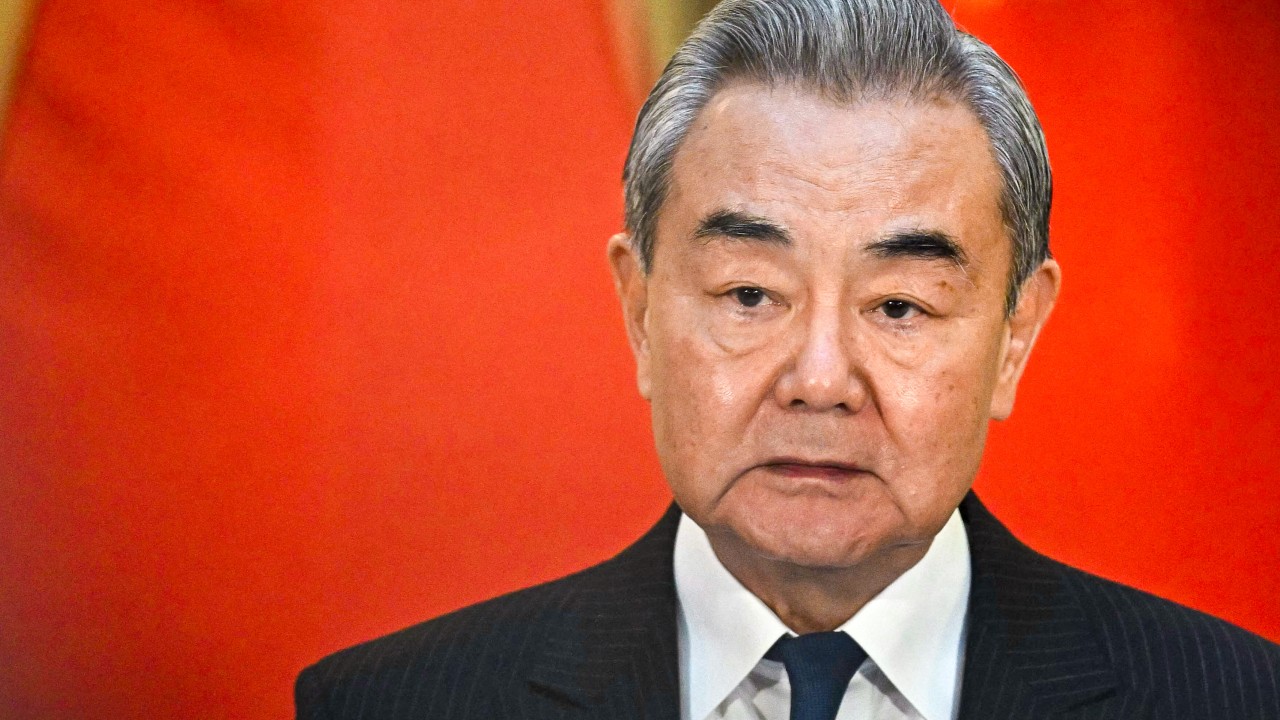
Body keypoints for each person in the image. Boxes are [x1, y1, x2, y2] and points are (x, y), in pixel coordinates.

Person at [295, 1, 1280, 718]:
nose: (818, 380)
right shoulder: (396, 704)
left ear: (1015, 334)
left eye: (898, 305)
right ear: (639, 311)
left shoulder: (1229, 700)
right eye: (750, 296)